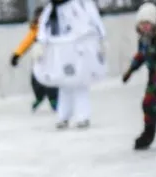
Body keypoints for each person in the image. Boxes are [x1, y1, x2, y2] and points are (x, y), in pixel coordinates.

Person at [32, 0, 107, 129]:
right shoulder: (52, 8)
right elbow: (44, 27)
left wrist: (101, 38)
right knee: (64, 84)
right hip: (61, 49)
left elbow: (94, 19)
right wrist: (40, 43)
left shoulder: (80, 3)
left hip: (80, 47)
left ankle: (83, 116)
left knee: (80, 83)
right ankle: (63, 116)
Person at [121, 2, 156, 150]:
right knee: (148, 104)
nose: (144, 27)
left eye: (147, 23)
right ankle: (148, 134)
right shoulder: (144, 40)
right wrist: (130, 71)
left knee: (150, 102)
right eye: (142, 24)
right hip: (154, 76)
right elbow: (141, 56)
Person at [10, 5, 59, 112]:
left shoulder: (52, 27)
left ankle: (54, 98)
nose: (40, 19)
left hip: (51, 59)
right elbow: (26, 42)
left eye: (42, 16)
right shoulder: (35, 29)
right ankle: (39, 97)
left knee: (51, 79)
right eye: (38, 16)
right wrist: (16, 55)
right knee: (35, 80)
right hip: (38, 60)